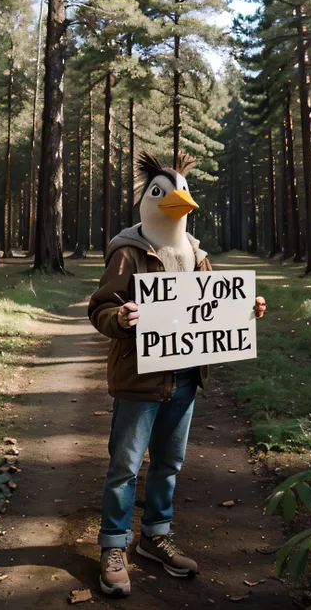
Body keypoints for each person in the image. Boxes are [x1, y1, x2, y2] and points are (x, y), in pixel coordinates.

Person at [89, 152, 266, 597]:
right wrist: (121, 318)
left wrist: (246, 310)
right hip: (139, 378)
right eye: (164, 193)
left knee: (169, 461)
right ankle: (114, 544)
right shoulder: (128, 252)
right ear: (148, 201)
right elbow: (101, 308)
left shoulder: (196, 254)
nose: (178, 200)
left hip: (186, 375)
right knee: (126, 464)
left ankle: (154, 536)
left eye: (183, 192)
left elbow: (212, 307)